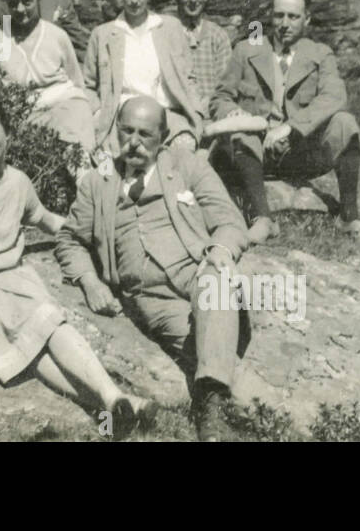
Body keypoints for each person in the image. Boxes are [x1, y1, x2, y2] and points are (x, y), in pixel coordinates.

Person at [0, 96, 154, 437]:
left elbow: (43, 217)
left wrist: (90, 237)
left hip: (14, 280)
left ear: (8, 135)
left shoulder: (17, 181)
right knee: (35, 345)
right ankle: (122, 401)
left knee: (41, 331)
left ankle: (112, 400)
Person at [55, 96, 253, 441]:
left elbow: (229, 221)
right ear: (115, 131)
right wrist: (89, 281)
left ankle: (212, 418)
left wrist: (220, 250)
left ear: (162, 137)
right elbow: (69, 240)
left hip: (196, 273)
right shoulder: (96, 184)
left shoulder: (188, 165)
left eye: (145, 134)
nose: (133, 142)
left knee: (216, 282)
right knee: (222, 365)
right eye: (126, 131)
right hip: (150, 300)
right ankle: (214, 407)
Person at [209, 0, 360, 251]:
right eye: (279, 16)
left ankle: (349, 219)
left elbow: (335, 96)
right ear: (270, 17)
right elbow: (220, 98)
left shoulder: (320, 54)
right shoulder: (246, 50)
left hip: (300, 152)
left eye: (293, 17)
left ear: (307, 20)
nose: (284, 24)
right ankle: (263, 219)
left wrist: (291, 128)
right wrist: (235, 114)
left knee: (345, 123)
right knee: (241, 133)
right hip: (254, 153)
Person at [83, 0, 203, 156]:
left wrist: (197, 114)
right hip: (121, 119)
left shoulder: (169, 27)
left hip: (166, 116)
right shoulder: (103, 34)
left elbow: (188, 78)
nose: (135, 0)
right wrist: (98, 113)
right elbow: (88, 85)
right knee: (109, 166)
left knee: (183, 150)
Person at [0, 0, 95, 153]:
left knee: (77, 147)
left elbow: (76, 80)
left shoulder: (57, 35)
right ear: (5, 2)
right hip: (21, 113)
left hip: (64, 104)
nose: (20, 9)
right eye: (13, 3)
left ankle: (88, 179)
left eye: (27, 2)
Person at [171, 0, 233, 109]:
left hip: (212, 110)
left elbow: (225, 85)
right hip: (178, 111)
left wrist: (207, 103)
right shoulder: (166, 33)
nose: (193, 0)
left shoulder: (218, 35)